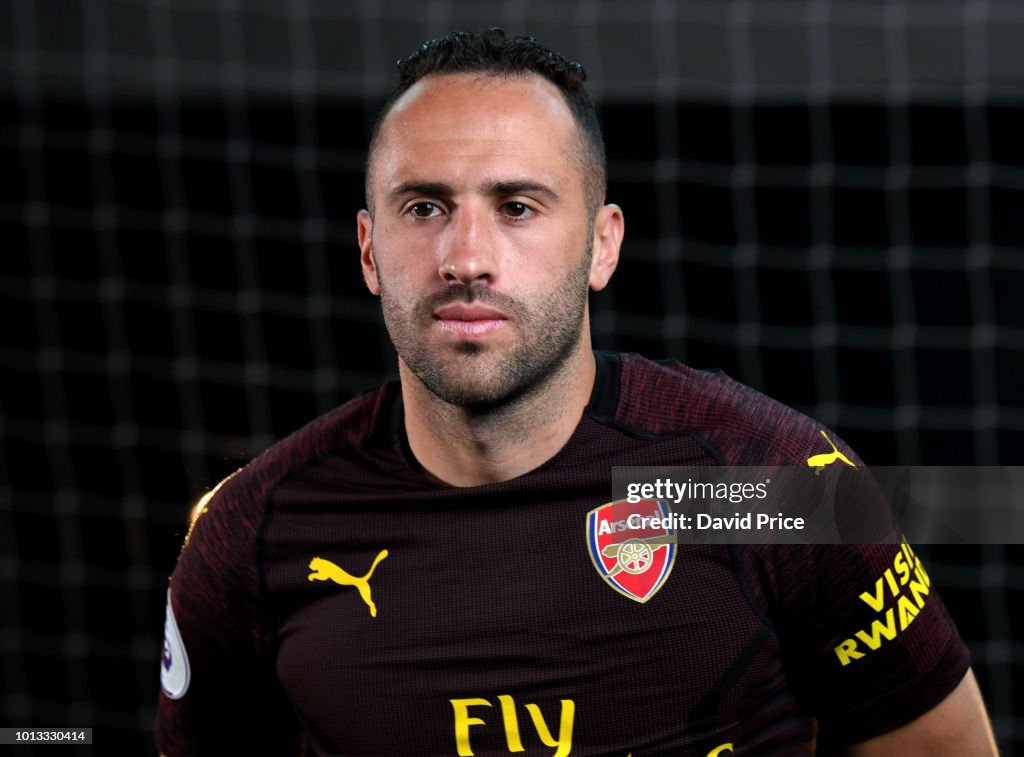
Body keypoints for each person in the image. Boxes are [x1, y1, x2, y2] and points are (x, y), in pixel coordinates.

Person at [156, 29, 997, 756]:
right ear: (369, 251)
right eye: (424, 207)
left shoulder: (771, 486)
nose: (467, 257)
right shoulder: (252, 532)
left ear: (602, 246)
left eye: (517, 206)